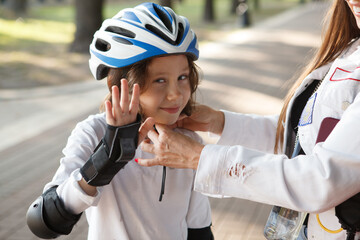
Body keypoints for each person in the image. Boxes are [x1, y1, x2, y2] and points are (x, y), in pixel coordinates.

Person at [137, 0, 360, 239]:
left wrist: (199, 158)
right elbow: (304, 135)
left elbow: (319, 181)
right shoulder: (350, 48)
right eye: (160, 80)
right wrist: (220, 122)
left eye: (182, 77)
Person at [26, 3, 213, 240]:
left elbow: (199, 230)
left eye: (182, 77)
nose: (176, 94)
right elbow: (44, 222)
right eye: (159, 80)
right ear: (123, 85)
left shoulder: (188, 141)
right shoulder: (93, 132)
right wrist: (106, 158)